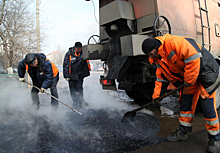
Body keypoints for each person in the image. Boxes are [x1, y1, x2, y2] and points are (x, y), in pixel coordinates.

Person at [142, 34, 220, 153]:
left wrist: (188, 81)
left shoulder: (174, 42)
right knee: (185, 102)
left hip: (207, 72)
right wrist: (157, 96)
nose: (149, 56)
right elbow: (161, 78)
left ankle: (215, 139)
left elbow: (194, 57)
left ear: (156, 47)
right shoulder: (158, 59)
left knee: (207, 105)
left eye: (150, 53)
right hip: (191, 76)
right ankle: (183, 132)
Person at [63, 41, 91, 108]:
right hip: (71, 75)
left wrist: (85, 73)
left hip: (79, 75)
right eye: (78, 49)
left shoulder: (83, 53)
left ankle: (81, 102)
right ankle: (75, 102)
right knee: (73, 89)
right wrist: (66, 76)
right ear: (75, 48)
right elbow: (66, 65)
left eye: (80, 49)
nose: (79, 50)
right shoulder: (69, 54)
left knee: (79, 89)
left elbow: (86, 63)